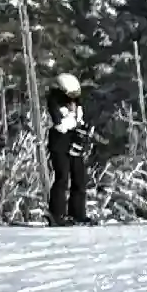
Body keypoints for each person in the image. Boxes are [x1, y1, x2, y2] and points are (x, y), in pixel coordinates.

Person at [45, 73, 89, 226]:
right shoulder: (54, 102)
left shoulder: (77, 103)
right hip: (59, 143)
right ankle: (56, 214)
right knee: (62, 177)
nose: (73, 99)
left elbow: (80, 120)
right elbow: (60, 126)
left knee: (79, 178)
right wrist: (74, 123)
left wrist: (82, 129)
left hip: (75, 142)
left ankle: (78, 214)